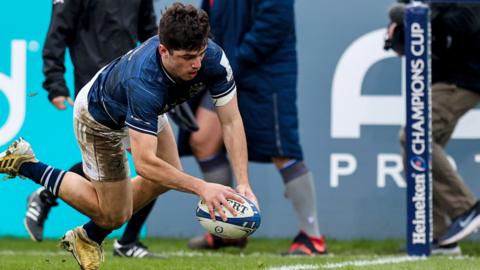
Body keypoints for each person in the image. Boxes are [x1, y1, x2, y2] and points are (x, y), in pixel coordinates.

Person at [0, 3, 257, 270]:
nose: (197, 64)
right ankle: (26, 164)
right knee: (114, 215)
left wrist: (244, 183)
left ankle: (86, 237)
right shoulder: (144, 83)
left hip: (140, 109)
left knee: (168, 175)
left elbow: (231, 121)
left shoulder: (214, 59)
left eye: (200, 53)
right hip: (99, 119)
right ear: (163, 50)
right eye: (187, 57)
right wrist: (203, 187)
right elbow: (145, 165)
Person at [176, 0, 327, 256]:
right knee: (202, 138)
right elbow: (207, 21)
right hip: (225, 69)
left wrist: (232, 60)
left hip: (266, 72)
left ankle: (312, 238)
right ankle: (226, 229)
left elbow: (274, 23)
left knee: (283, 150)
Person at [25, 0, 161, 258]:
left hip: (132, 83)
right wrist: (55, 83)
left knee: (154, 163)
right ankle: (126, 241)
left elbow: (150, 33)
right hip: (95, 89)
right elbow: (57, 32)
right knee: (146, 163)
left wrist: (164, 80)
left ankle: (47, 193)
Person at [385, 1, 480, 255]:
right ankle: (438, 237)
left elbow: (466, 21)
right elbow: (402, 11)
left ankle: (466, 208)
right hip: (444, 80)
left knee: (414, 139)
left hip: (462, 81)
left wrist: (422, 14)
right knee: (415, 154)